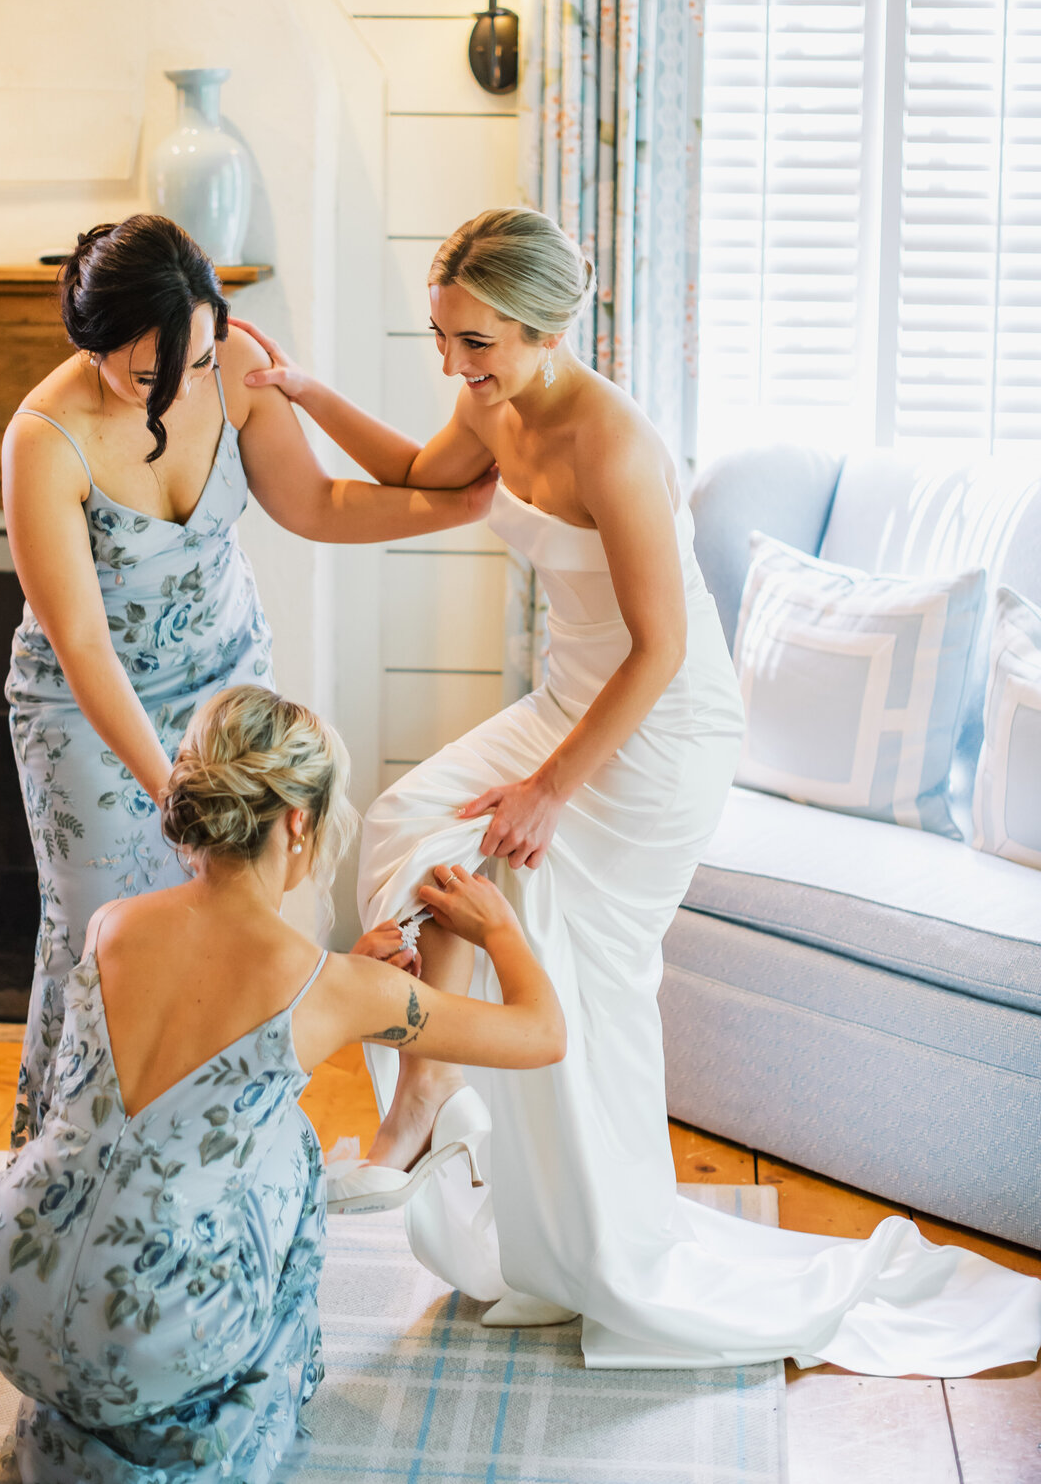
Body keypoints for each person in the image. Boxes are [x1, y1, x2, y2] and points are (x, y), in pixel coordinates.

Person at [239, 206, 1041, 1376]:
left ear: (547, 328)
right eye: (444, 340)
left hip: (657, 725)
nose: (459, 369)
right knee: (413, 821)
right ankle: (433, 1081)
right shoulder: (485, 398)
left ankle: (553, 1206)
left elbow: (661, 648)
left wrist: (552, 792)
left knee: (534, 903)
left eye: (480, 345)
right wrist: (305, 394)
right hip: (571, 693)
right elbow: (414, 473)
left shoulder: (609, 440)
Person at [0, 684, 565, 1484]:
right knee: (291, 1154)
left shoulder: (113, 927)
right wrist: (500, 931)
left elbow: (185, 1077)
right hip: (145, 1335)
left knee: (205, 1132)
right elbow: (541, 1034)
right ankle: (199, 1423)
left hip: (1, 1283)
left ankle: (82, 1401)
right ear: (299, 822)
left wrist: (342, 990)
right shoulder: (334, 986)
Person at [3, 215, 493, 1145]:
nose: (184, 388)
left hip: (227, 693)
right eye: (151, 374)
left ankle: (220, 1159)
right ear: (92, 343)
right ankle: (72, 1170)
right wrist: (174, 798)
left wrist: (446, 508)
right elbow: (84, 647)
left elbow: (311, 503)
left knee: (239, 928)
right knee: (99, 939)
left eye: (196, 359)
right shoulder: (41, 442)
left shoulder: (226, 364)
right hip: (91, 711)